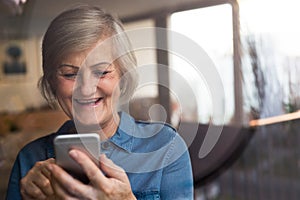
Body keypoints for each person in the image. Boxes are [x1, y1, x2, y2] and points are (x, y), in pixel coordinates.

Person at [6, 5, 193, 200]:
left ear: (123, 75)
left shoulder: (166, 147)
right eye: (70, 74)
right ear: (52, 82)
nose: (86, 88)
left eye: (102, 72)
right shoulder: (29, 160)